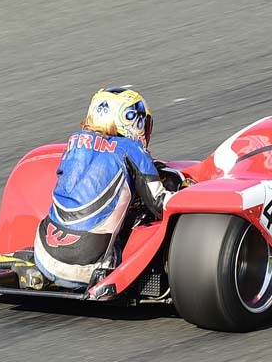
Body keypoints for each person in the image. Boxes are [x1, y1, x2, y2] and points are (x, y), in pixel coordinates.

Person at [30, 86, 185, 291]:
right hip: (89, 267)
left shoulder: (74, 142)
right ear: (131, 121)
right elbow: (159, 205)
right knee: (150, 221)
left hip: (42, 252)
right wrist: (184, 192)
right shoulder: (133, 150)